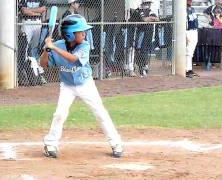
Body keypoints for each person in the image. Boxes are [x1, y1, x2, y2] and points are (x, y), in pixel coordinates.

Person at [40, 14, 123, 158]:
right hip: (67, 86)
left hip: (86, 84)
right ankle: (50, 143)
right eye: (80, 32)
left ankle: (116, 143)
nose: (84, 34)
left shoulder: (85, 45)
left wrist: (54, 48)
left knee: (100, 112)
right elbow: (43, 64)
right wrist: (46, 50)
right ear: (69, 35)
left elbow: (74, 60)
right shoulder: (57, 45)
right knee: (59, 114)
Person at [132, 0, 159, 77]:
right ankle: (141, 68)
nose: (149, 5)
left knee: (146, 51)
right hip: (141, 34)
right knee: (140, 50)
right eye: (148, 3)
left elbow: (157, 19)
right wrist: (151, 18)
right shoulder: (139, 10)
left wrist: (150, 18)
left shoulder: (150, 11)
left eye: (149, 3)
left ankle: (145, 67)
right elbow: (144, 19)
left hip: (149, 34)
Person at [186, 0, 199, 78]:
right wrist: (184, 35)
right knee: (188, 52)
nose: (190, 2)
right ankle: (186, 70)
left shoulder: (192, 9)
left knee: (191, 52)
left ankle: (189, 69)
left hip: (194, 31)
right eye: (189, 1)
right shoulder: (183, 10)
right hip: (188, 31)